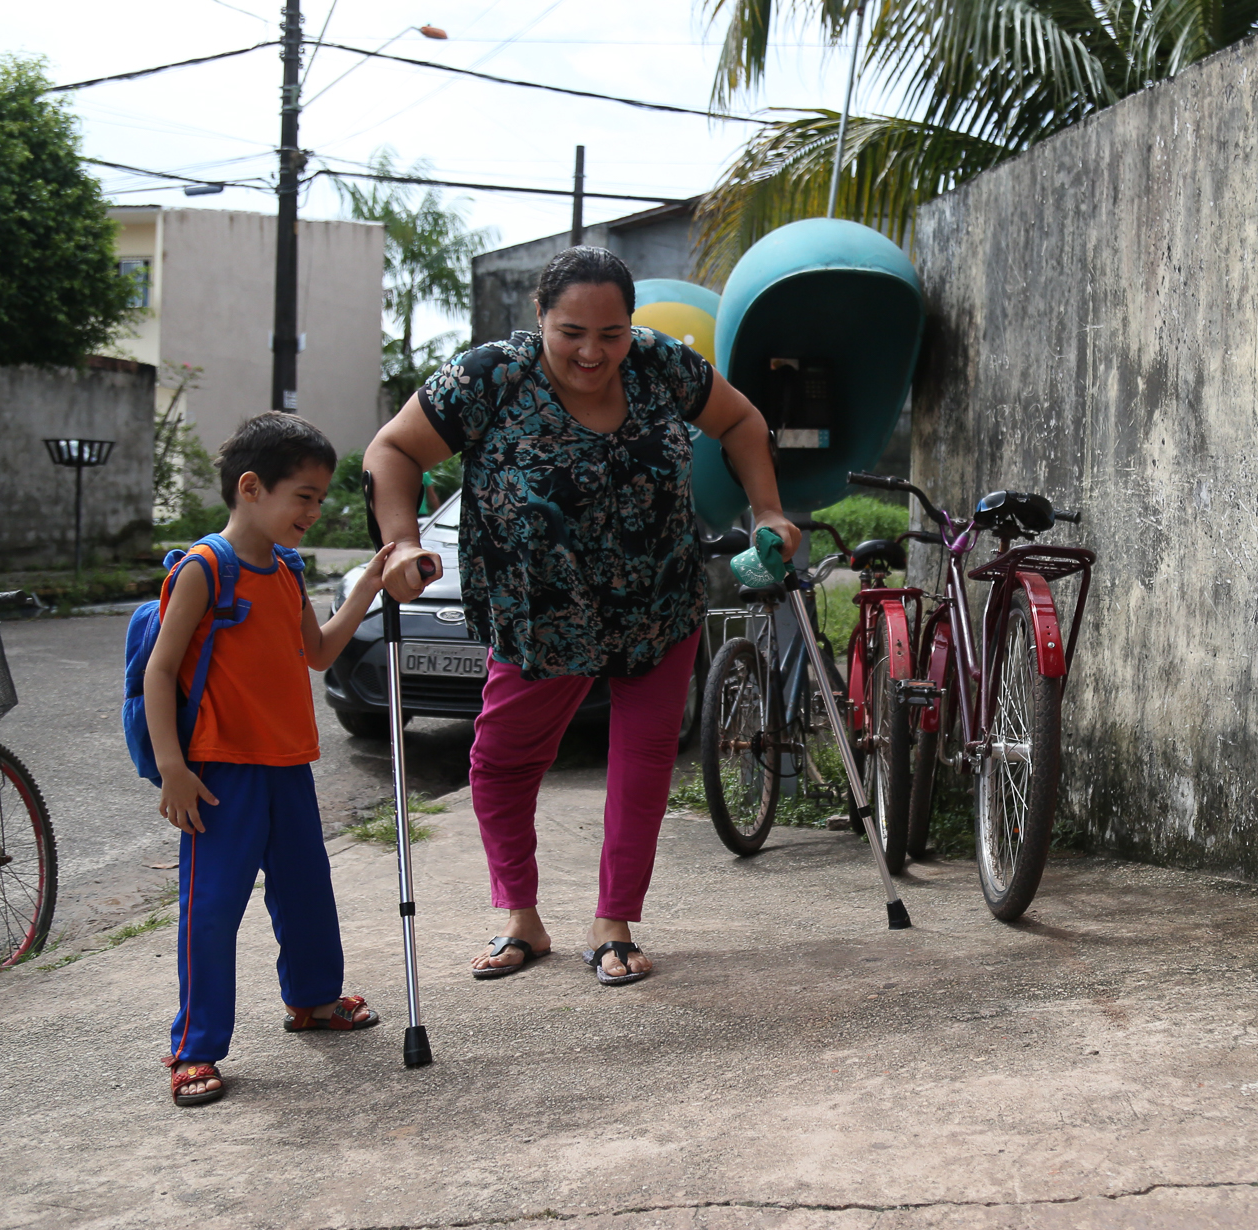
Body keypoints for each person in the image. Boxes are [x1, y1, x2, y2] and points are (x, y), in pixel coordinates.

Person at [365, 244, 799, 987]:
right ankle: (521, 922)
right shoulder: (491, 377)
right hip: (542, 614)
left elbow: (743, 422)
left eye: (611, 333)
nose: (592, 352)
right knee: (501, 761)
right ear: (539, 319)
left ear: (631, 326)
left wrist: (768, 510)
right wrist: (401, 541)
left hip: (657, 603)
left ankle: (614, 924)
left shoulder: (661, 365)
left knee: (642, 765)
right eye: (572, 333)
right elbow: (396, 448)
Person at [144, 412, 398, 1107]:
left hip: (289, 766)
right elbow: (160, 672)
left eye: (320, 498)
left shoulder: (285, 570)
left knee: (307, 890)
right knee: (212, 909)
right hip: (219, 772)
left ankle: (312, 1001)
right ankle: (194, 1049)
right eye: (305, 497)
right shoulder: (205, 569)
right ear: (251, 488)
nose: (315, 512)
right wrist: (172, 766)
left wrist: (364, 591)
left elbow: (315, 655)